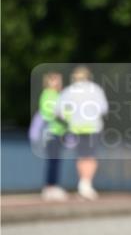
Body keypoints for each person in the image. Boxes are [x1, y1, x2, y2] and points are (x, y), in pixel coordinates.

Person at [56, 66, 108, 200]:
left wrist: (70, 118)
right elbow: (103, 108)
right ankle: (86, 184)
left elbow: (59, 111)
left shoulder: (68, 91)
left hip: (76, 127)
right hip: (93, 127)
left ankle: (83, 184)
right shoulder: (96, 89)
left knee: (81, 156)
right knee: (90, 156)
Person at [36, 71, 68, 201]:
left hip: (58, 132)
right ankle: (50, 187)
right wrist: (63, 116)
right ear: (48, 82)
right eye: (54, 80)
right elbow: (49, 112)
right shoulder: (49, 94)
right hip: (51, 132)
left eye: (58, 80)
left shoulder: (57, 95)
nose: (58, 82)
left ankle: (53, 185)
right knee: (52, 160)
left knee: (55, 160)